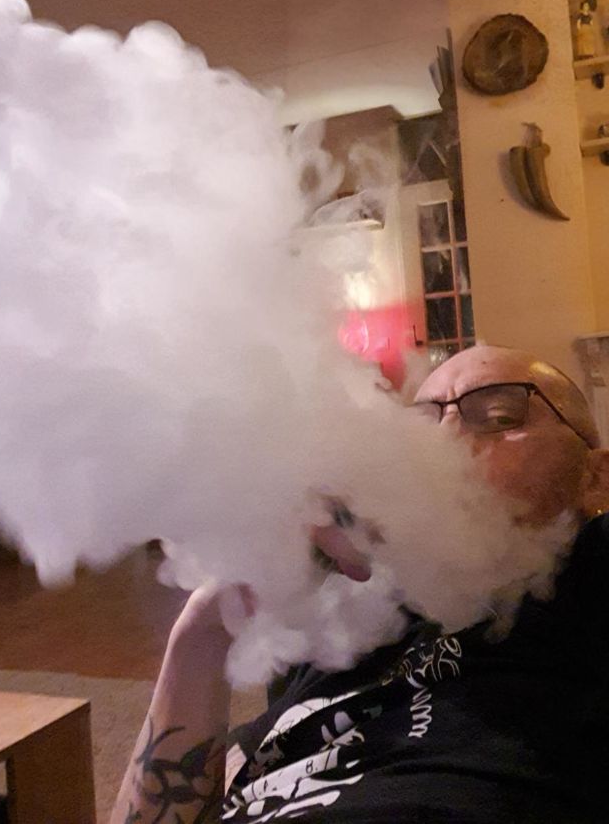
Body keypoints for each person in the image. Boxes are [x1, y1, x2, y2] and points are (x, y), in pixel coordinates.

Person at [110, 344, 609, 824]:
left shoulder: (586, 574)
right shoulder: (352, 614)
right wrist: (205, 629)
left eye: (499, 416)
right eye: (421, 426)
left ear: (596, 478)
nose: (443, 439)